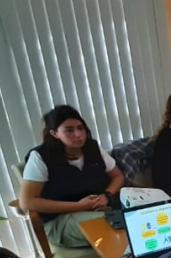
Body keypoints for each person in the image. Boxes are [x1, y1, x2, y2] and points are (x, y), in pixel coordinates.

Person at [19, 105, 124, 248]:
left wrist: (106, 195)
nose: (78, 134)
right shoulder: (40, 157)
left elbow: (117, 176)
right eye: (69, 130)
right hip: (60, 220)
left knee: (137, 219)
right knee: (114, 227)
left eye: (81, 128)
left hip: (101, 209)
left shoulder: (92, 148)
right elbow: (27, 202)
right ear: (55, 133)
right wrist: (78, 206)